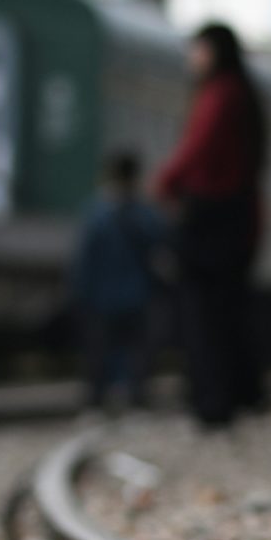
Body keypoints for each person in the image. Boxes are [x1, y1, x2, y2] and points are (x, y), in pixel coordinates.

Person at [155, 21, 269, 429]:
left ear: (215, 51)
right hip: (239, 217)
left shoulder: (219, 94)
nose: (193, 59)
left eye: (198, 50)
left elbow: (198, 147)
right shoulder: (246, 95)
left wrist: (166, 181)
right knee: (229, 311)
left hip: (211, 218)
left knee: (203, 315)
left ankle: (212, 404)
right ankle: (241, 397)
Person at [69, 150, 166, 411]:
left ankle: (99, 400)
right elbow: (161, 247)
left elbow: (84, 258)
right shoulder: (144, 214)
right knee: (136, 352)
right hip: (136, 295)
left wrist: (79, 293)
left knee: (100, 352)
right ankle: (133, 397)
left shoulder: (97, 212)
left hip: (104, 296)